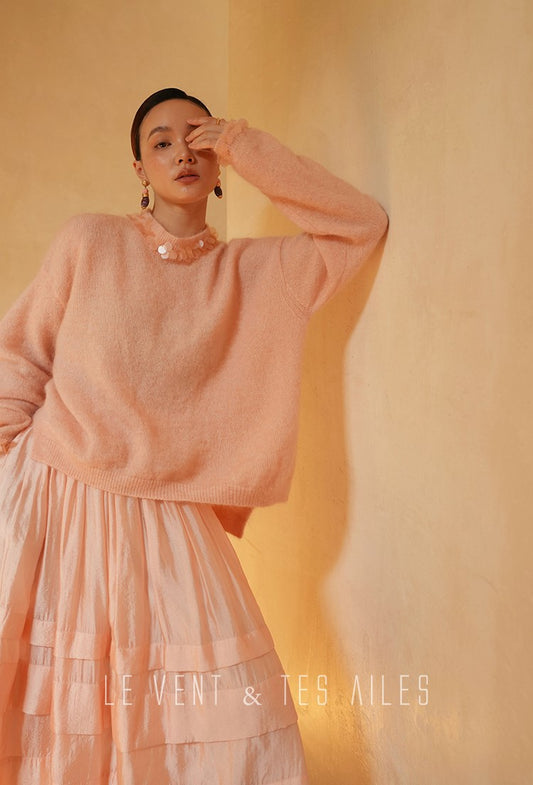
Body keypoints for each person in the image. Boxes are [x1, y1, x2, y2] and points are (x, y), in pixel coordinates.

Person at [0, 87, 389, 783]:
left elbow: (358, 225)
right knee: (55, 704)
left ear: (217, 162)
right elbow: (21, 353)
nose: (182, 151)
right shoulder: (89, 241)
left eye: (197, 136)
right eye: (161, 142)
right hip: (57, 493)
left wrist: (242, 144)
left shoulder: (254, 273)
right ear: (139, 168)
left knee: (209, 715)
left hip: (170, 513)